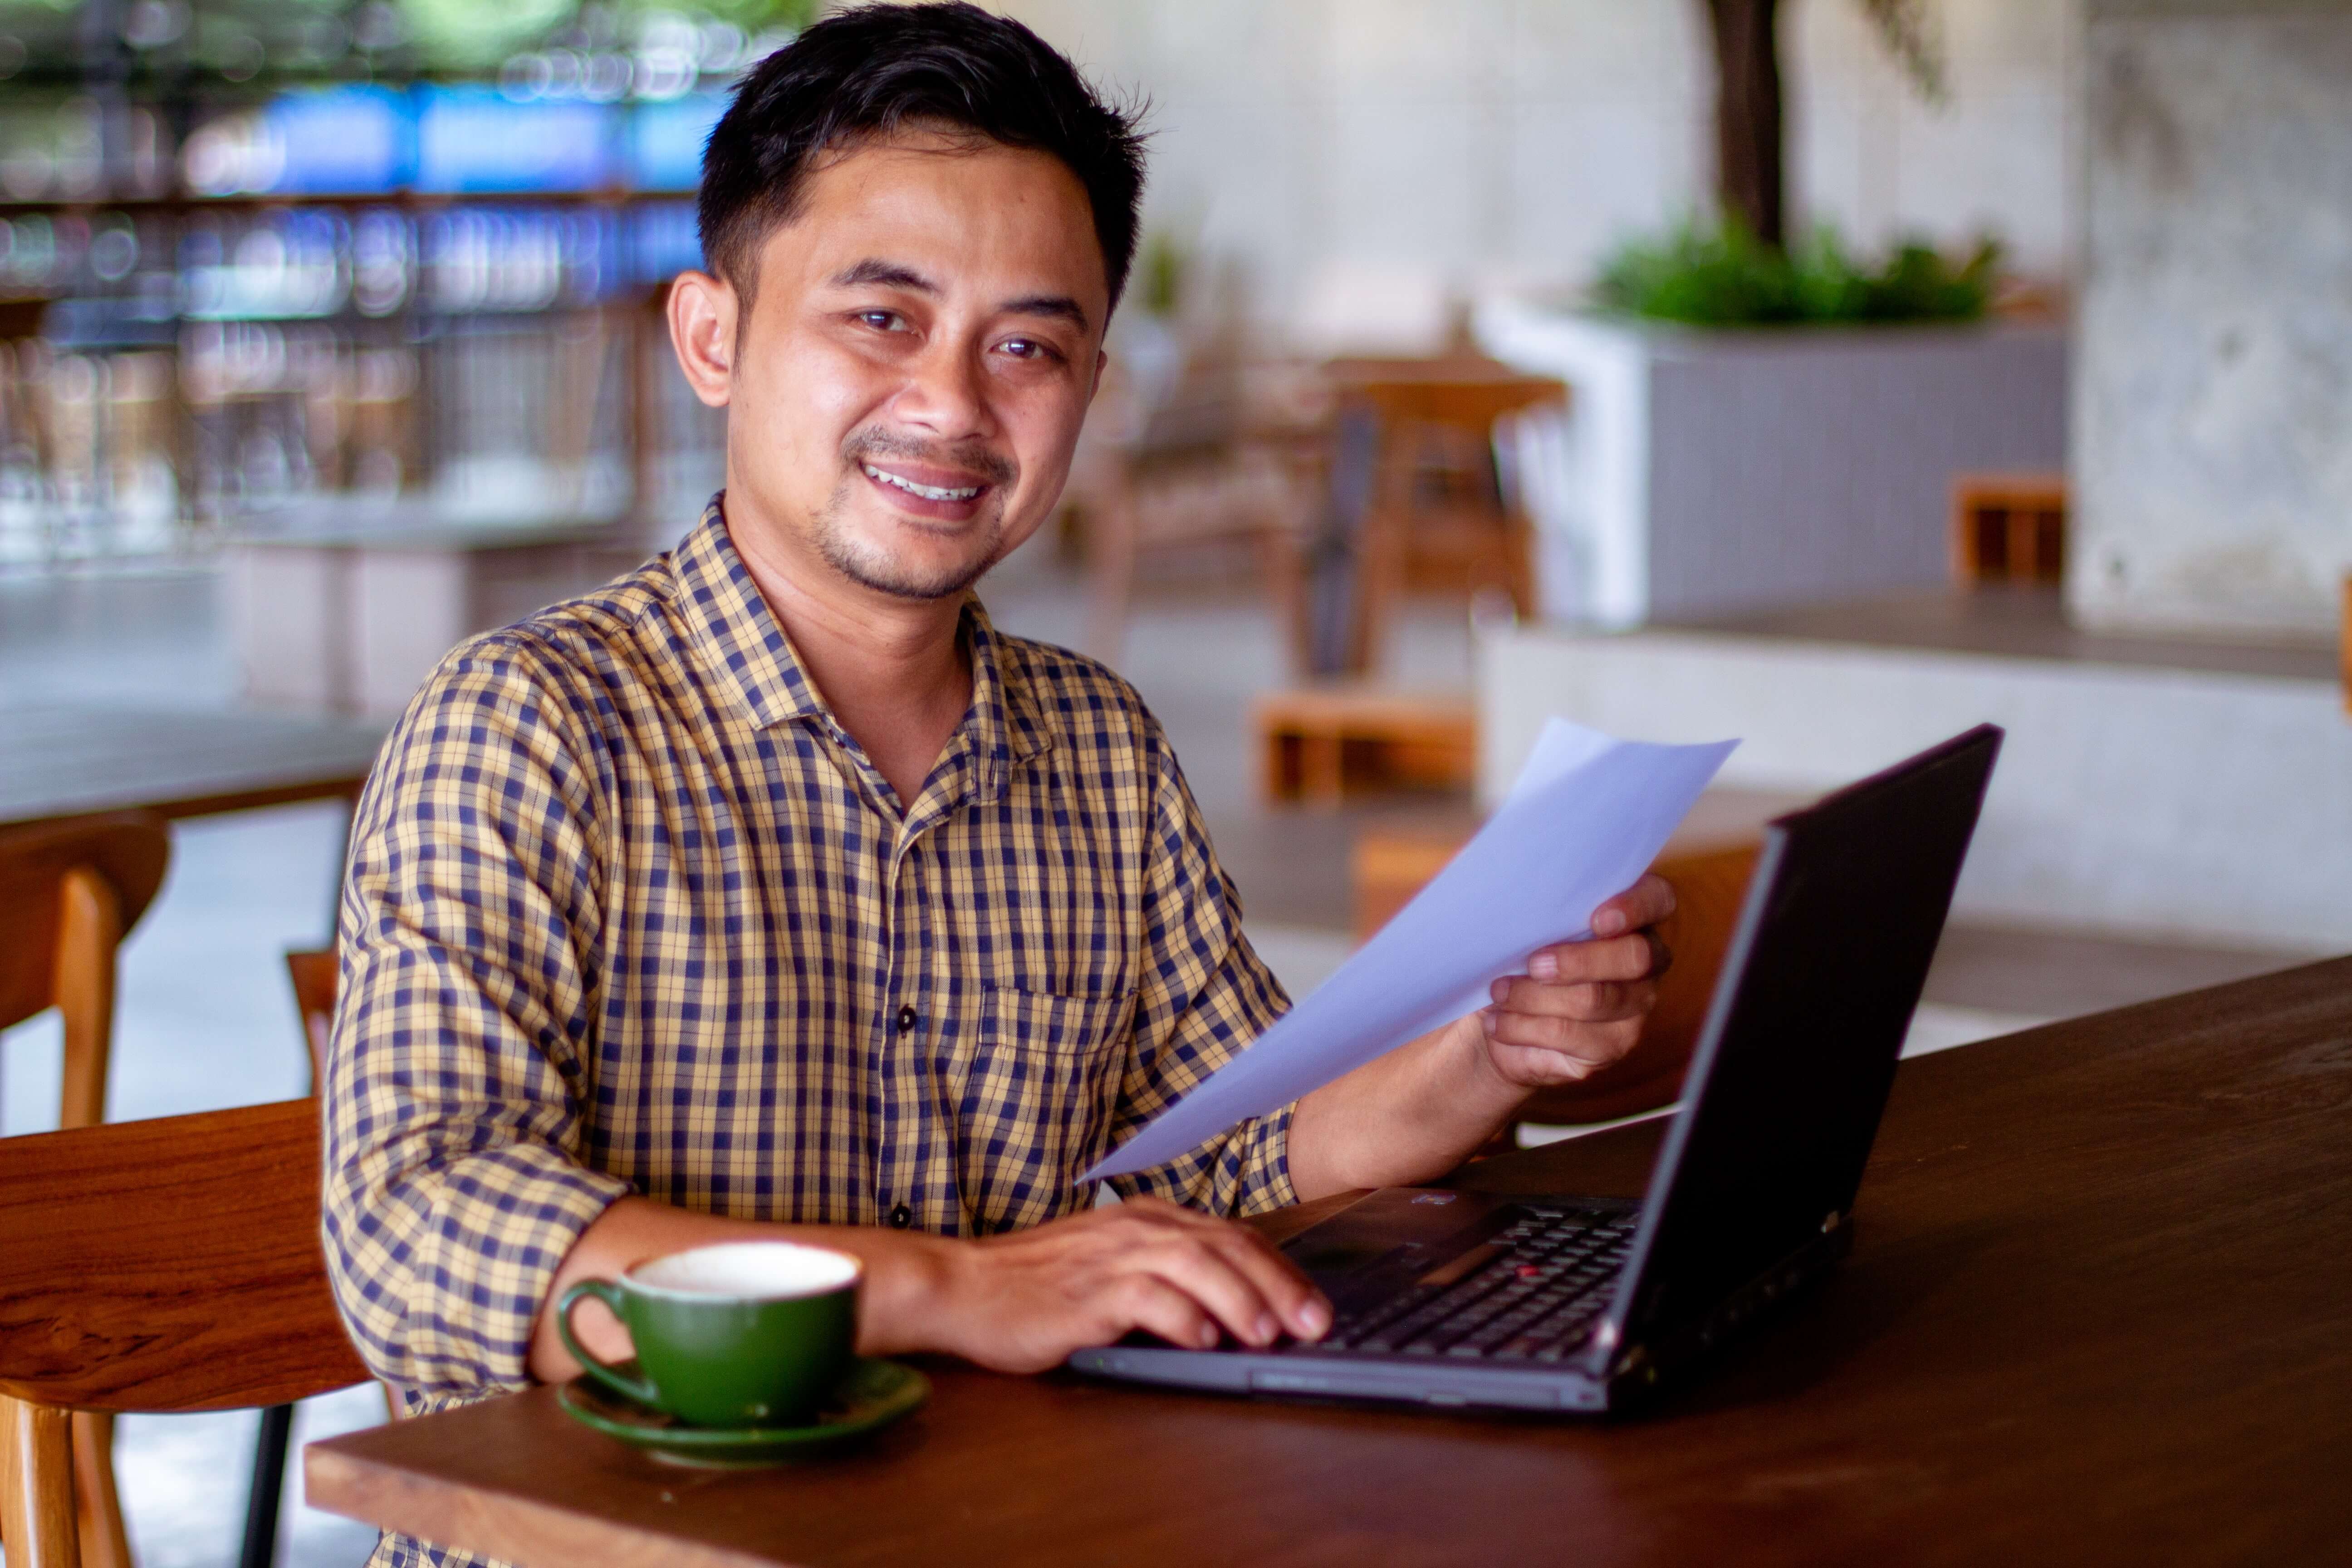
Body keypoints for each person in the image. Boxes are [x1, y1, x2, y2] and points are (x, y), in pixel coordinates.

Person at [325, 9, 1672, 1559]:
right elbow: (418, 1228)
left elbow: (1223, 1154)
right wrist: (955, 1289)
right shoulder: (532, 725)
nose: (956, 406)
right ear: (714, 337)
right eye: (882, 319)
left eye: (1029, 345)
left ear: (1092, 382)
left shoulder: (1097, 747)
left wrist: (1495, 1054)